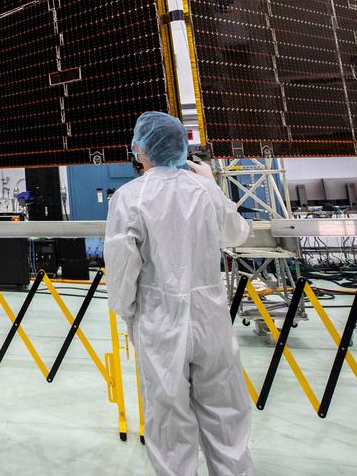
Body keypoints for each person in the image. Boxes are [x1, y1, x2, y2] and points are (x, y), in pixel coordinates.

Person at [104, 111, 254, 476]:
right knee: (225, 413)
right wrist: (214, 184)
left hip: (159, 320)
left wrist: (128, 314)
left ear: (142, 148)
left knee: (169, 419)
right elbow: (237, 235)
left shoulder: (128, 197)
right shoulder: (204, 190)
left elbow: (123, 270)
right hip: (211, 318)